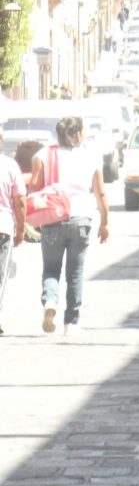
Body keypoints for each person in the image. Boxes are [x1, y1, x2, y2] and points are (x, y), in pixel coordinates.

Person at [29, 116, 110, 336]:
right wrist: (105, 222)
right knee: (75, 273)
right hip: (82, 218)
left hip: (53, 217)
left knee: (51, 268)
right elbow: (100, 192)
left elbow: (34, 186)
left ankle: (50, 303)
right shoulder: (91, 155)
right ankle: (71, 323)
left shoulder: (44, 154)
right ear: (78, 134)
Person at [0, 125, 26, 336]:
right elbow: (20, 201)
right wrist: (21, 228)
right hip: (3, 228)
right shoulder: (9, 165)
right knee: (0, 275)